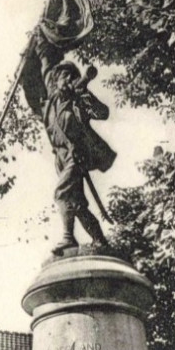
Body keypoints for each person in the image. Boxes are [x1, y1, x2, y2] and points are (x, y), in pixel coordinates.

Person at [36, 36, 116, 254]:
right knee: (77, 206)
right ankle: (100, 241)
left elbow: (103, 113)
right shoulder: (51, 103)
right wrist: (40, 43)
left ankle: (68, 238)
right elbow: (45, 66)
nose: (60, 80)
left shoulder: (78, 101)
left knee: (62, 194)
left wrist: (85, 90)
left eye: (66, 76)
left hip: (76, 156)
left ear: (72, 79)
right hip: (60, 158)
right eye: (58, 77)